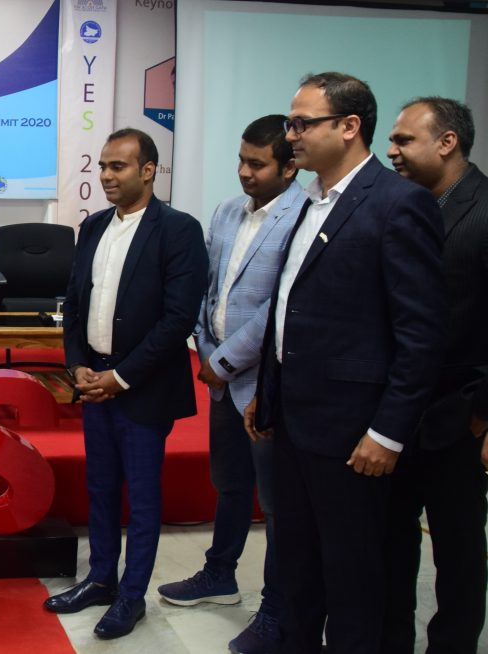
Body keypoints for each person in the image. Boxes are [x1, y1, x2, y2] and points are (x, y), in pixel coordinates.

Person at [245, 72, 446, 653]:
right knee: (298, 574)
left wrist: (387, 433)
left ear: (349, 126)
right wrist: (268, 393)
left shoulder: (398, 204)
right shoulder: (310, 202)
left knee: (355, 583)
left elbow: (421, 335)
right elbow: (291, 307)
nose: (291, 135)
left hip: (356, 439)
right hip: (295, 426)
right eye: (290, 123)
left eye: (302, 123)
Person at [43, 128, 208, 639]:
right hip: (94, 379)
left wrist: (121, 376)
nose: (106, 176)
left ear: (148, 170)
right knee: (100, 487)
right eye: (103, 166)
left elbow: (178, 319)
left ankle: (131, 596)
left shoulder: (178, 230)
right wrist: (77, 365)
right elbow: (74, 302)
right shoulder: (93, 226)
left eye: (118, 166)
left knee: (141, 494)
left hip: (143, 387)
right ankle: (100, 580)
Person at [157, 114, 305, 654]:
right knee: (230, 484)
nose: (244, 172)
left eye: (257, 164)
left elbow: (282, 305)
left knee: (276, 503)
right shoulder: (224, 212)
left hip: (265, 382)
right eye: (241, 160)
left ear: (289, 168)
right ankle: (219, 573)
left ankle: (277, 610)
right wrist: (205, 349)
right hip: (219, 375)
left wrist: (226, 360)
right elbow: (207, 288)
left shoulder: (301, 217)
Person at [382, 96, 487, 654]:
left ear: (447, 143)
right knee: (391, 545)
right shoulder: (404, 207)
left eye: (404, 140)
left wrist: (484, 415)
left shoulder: (483, 208)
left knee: (459, 552)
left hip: (460, 415)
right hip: (398, 413)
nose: (391, 150)